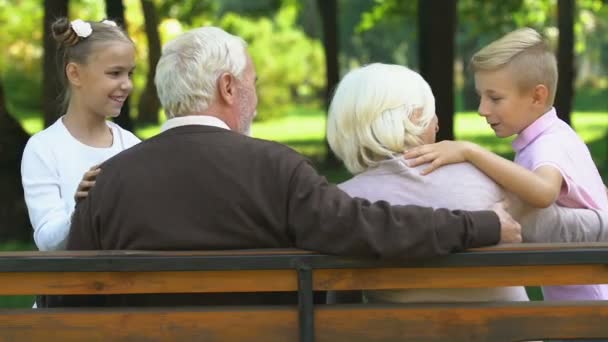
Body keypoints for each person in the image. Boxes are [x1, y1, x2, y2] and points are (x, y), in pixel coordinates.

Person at [50, 26, 521, 307]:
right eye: (253, 82)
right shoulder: (274, 167)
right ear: (230, 89)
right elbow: (368, 228)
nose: (255, 94)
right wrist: (479, 225)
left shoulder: (109, 179)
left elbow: (66, 297)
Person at [326, 63, 608, 304]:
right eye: (430, 112)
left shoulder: (339, 204)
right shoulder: (487, 180)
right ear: (414, 117)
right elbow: (577, 232)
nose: (436, 125)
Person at [404, 28, 608, 301]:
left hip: (593, 301)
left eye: (495, 98)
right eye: (481, 97)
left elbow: (543, 192)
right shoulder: (556, 134)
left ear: (537, 97)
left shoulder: (548, 145)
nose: (482, 109)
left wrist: (470, 151)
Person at [21, 18, 140, 253]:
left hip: (128, 283)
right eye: (115, 73)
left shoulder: (132, 146)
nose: (127, 85)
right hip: (71, 287)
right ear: (75, 74)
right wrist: (82, 209)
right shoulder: (43, 148)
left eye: (130, 74)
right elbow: (48, 243)